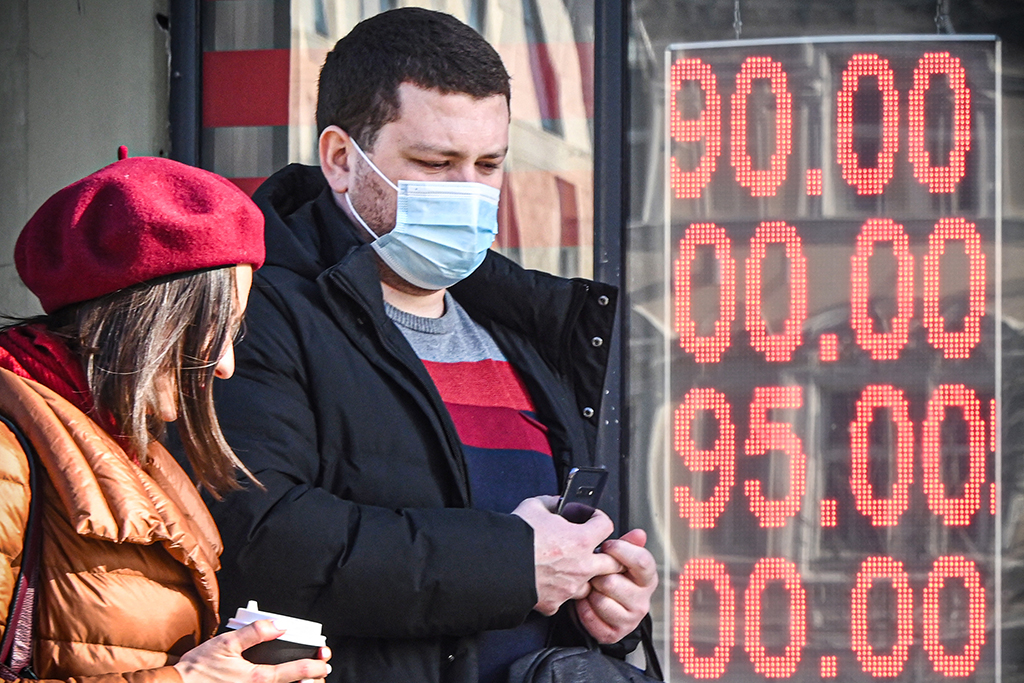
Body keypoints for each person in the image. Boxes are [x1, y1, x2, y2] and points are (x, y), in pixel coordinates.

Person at [204, 8, 657, 683]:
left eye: (488, 164)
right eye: (436, 163)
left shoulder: (521, 329)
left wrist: (605, 606)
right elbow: (261, 540)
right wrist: (511, 565)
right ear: (340, 159)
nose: (470, 193)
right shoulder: (258, 310)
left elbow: (538, 561)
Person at [0, 152, 331, 683]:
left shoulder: (122, 441)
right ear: (147, 319)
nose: (225, 365)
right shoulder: (11, 454)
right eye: (213, 329)